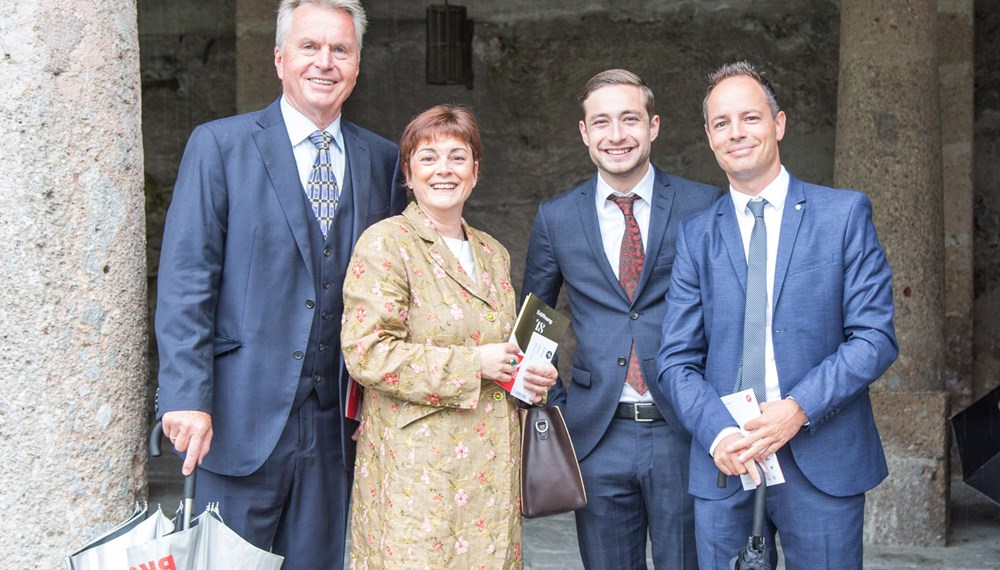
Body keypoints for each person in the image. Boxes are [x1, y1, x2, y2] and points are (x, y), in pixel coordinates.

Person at [154, 1, 407, 567]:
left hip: (337, 426)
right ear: (278, 58)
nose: (325, 62)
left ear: (358, 66)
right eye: (309, 47)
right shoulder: (220, 146)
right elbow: (186, 281)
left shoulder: (383, 160)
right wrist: (186, 397)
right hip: (235, 419)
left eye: (340, 50)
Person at [657, 61, 898, 569]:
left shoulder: (843, 215)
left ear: (779, 124)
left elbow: (874, 337)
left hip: (821, 455)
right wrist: (720, 433)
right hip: (727, 463)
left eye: (751, 118)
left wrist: (798, 408)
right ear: (708, 136)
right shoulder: (696, 235)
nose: (737, 133)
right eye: (722, 123)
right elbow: (676, 359)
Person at [340, 104, 558, 569]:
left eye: (458, 157)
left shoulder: (492, 252)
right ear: (408, 172)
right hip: (418, 472)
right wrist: (472, 364)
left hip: (491, 468)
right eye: (428, 157)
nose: (444, 170)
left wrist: (528, 373)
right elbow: (367, 351)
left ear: (475, 171)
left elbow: (504, 347)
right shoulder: (386, 243)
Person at [522, 69, 721, 569]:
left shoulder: (703, 205)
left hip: (683, 430)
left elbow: (728, 313)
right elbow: (535, 321)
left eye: (630, 119)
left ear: (653, 126)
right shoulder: (557, 217)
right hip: (596, 433)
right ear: (584, 133)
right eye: (602, 122)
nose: (617, 135)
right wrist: (559, 407)